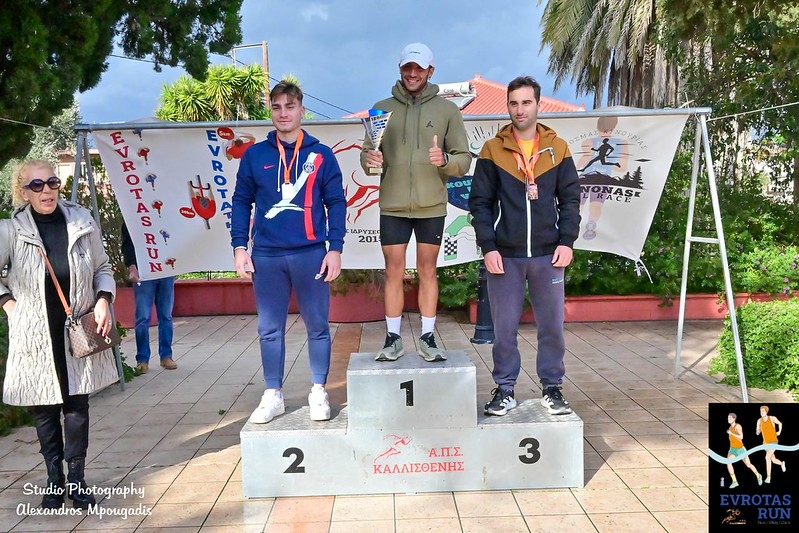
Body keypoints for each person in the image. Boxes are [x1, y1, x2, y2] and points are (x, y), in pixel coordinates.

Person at [0, 159, 118, 509]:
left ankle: (77, 479)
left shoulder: (82, 221)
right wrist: (9, 305)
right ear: (24, 192)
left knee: (77, 404)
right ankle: (54, 479)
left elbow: (103, 267)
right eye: (36, 185)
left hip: (76, 327)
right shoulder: (10, 230)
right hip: (35, 332)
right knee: (45, 408)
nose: (46, 190)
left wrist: (103, 299)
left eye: (52, 182)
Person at [231, 80, 346, 424]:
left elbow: (336, 203)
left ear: (302, 111)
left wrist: (335, 248)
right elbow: (241, 202)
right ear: (271, 111)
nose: (283, 114)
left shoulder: (321, 155)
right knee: (269, 329)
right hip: (267, 255)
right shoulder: (255, 155)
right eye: (277, 107)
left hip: (310, 253)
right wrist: (240, 247)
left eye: (290, 107)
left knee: (318, 325)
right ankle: (273, 394)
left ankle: (318, 390)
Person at [469, 76, 581, 416]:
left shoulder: (558, 149)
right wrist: (488, 246)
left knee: (552, 328)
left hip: (549, 255)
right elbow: (480, 204)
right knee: (504, 330)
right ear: (508, 106)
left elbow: (571, 200)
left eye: (526, 102)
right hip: (505, 255)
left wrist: (567, 241)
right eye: (514, 103)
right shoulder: (493, 150)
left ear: (538, 105)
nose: (520, 110)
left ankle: (553, 388)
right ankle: (505, 389)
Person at [361, 42, 471, 363]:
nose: (412, 73)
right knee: (393, 271)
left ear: (430, 71)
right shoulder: (381, 109)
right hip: (393, 206)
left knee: (428, 271)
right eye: (407, 67)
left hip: (431, 206)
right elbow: (367, 157)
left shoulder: (447, 111)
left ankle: (427, 338)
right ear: (400, 69)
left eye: (419, 68)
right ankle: (393, 339)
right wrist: (370, 160)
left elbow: (464, 160)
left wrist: (445, 160)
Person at [120, 222, 176, 373]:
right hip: (143, 271)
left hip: (165, 269)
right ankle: (142, 359)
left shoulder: (166, 214)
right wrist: (132, 266)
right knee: (143, 317)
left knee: (166, 315)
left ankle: (166, 356)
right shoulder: (132, 214)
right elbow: (127, 243)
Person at [726, 413, 762, 488]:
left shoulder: (737, 426)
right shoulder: (730, 428)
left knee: (748, 465)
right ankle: (735, 481)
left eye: (730, 418)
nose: (728, 419)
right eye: (728, 417)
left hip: (741, 450)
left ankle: (758, 475)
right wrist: (730, 450)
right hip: (733, 450)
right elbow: (732, 441)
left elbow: (741, 437)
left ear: (734, 419)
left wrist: (731, 433)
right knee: (728, 462)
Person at [756, 405, 786, 483]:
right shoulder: (759, 421)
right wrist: (758, 431)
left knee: (767, 458)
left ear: (766, 411)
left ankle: (768, 477)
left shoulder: (772, 418)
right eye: (761, 411)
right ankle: (782, 463)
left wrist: (779, 431)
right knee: (773, 460)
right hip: (765, 444)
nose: (761, 412)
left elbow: (780, 423)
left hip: (773, 442)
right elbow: (757, 431)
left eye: (763, 411)